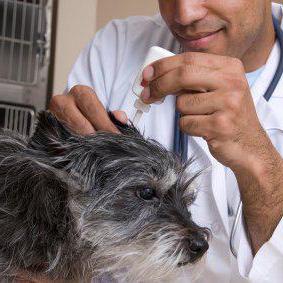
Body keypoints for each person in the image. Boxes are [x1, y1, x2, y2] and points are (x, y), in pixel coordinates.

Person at [49, 1, 283, 282]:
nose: (185, 14)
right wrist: (51, 165)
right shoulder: (117, 46)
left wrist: (259, 161)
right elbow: (54, 244)